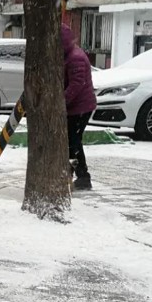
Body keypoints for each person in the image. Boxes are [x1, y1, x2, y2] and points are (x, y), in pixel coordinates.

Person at [63, 24, 97, 191]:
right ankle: (73, 174)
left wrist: (61, 102)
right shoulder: (69, 54)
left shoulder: (74, 57)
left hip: (80, 107)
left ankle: (82, 176)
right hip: (76, 106)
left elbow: (76, 85)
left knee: (73, 141)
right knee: (71, 140)